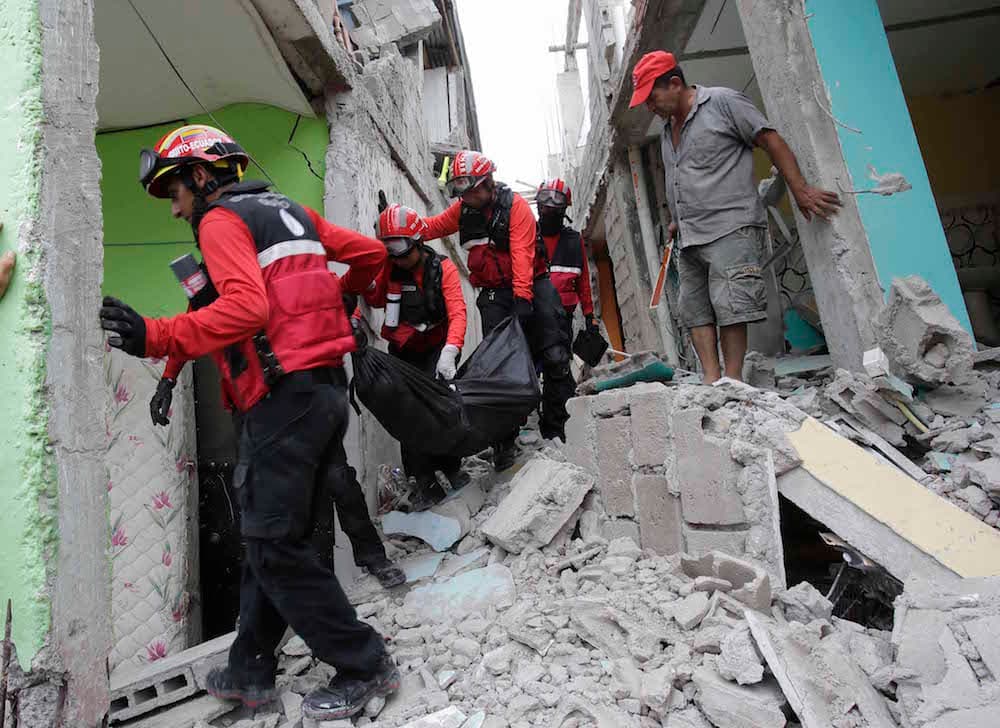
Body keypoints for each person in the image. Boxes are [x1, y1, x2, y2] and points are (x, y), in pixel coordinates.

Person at [100, 124, 399, 721]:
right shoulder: (291, 213)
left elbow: (243, 309)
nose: (175, 208)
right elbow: (371, 257)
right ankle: (250, 669)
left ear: (200, 176)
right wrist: (338, 299)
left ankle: (364, 663)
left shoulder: (220, 221)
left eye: (175, 193)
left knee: (272, 542)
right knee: (275, 538)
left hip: (282, 399)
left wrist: (153, 335)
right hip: (325, 392)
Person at [630, 50, 841, 383]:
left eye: (651, 97)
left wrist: (800, 189)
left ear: (674, 83)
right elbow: (685, 176)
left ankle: (732, 381)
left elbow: (770, 140)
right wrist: (677, 219)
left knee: (731, 307)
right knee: (695, 309)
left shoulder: (723, 103)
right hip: (689, 235)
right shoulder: (668, 129)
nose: (649, 107)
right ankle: (712, 381)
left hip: (730, 227)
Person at [422, 151, 574, 465]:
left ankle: (557, 429)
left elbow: (522, 255)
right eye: (462, 192)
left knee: (555, 354)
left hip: (533, 283)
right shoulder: (462, 210)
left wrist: (523, 299)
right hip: (493, 293)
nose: (466, 197)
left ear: (487, 183)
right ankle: (504, 443)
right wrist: (404, 231)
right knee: (498, 367)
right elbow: (432, 227)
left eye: (470, 190)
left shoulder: (515, 206)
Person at [361, 203, 469, 507]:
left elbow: (458, 312)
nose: (396, 257)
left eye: (400, 248)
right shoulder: (390, 267)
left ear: (418, 242)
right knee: (407, 414)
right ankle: (422, 479)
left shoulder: (443, 269)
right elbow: (375, 298)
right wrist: (366, 276)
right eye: (389, 250)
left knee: (442, 409)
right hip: (403, 351)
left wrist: (450, 351)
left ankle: (451, 468)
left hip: (437, 348)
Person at [535, 179, 600, 344]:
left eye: (553, 209)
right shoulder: (527, 237)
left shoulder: (574, 241)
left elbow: (583, 282)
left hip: (562, 319)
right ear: (538, 207)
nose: (548, 212)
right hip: (533, 316)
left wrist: (589, 316)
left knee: (560, 357)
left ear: (563, 210)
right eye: (545, 207)